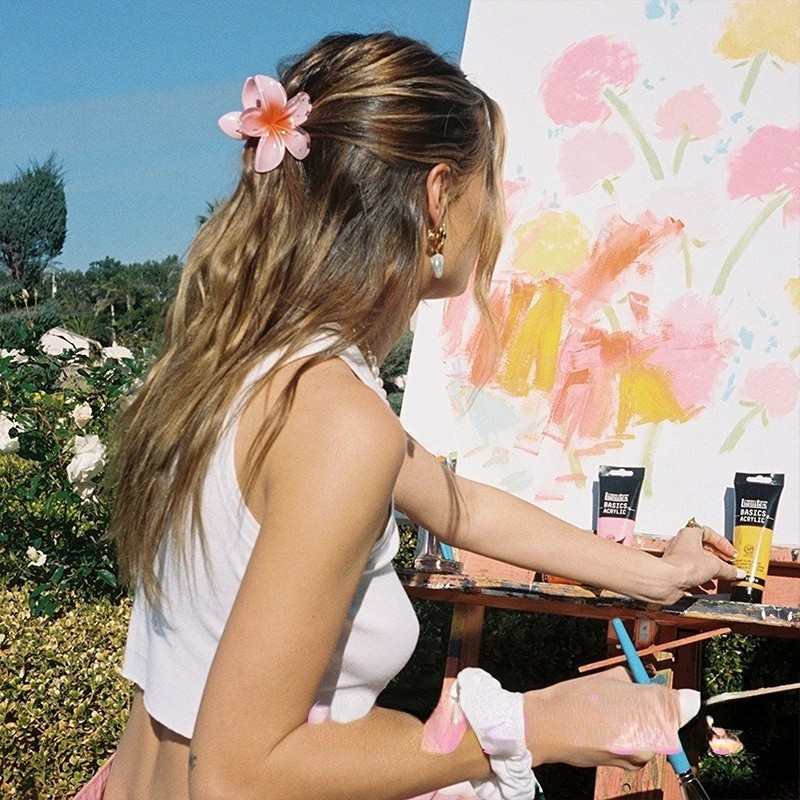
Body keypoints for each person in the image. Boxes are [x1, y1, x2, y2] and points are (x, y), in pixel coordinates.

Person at [80, 32, 742, 800]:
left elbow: (459, 505)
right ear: (436, 197)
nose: (495, 214)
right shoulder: (336, 419)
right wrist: (538, 725)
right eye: (490, 185)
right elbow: (238, 775)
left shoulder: (246, 362)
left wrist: (655, 575)